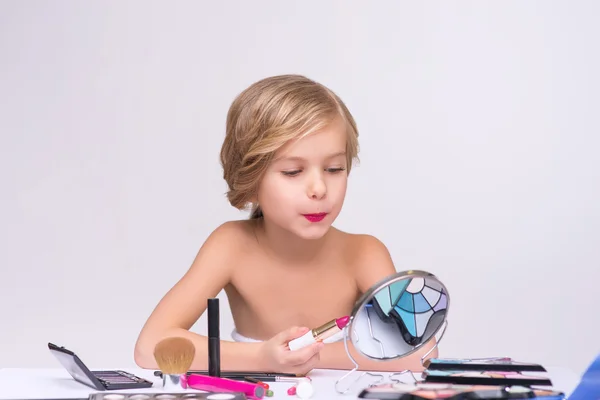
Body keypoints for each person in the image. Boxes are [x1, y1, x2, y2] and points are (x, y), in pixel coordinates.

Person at [133, 74, 437, 375]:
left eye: (334, 168)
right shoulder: (231, 246)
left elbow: (422, 352)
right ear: (251, 180)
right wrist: (262, 358)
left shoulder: (364, 252)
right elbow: (150, 346)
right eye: (293, 172)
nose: (319, 188)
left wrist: (309, 356)